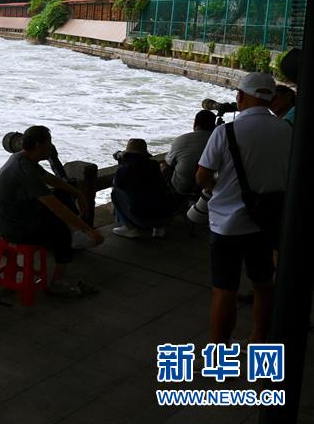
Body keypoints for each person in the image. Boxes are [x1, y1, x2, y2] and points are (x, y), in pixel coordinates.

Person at [196, 72, 292, 344]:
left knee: (224, 290)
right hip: (265, 222)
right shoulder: (286, 129)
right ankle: (260, 338)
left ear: (240, 97)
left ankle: (220, 353)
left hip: (227, 225)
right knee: (263, 285)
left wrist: (217, 186)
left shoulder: (225, 131)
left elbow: (202, 177)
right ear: (271, 99)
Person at [0, 125, 104, 298]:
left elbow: (50, 179)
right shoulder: (25, 169)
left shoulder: (23, 159)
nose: (52, 147)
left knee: (62, 196)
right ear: (39, 145)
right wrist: (87, 229)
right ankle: (57, 283)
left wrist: (77, 193)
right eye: (49, 143)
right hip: (15, 228)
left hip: (19, 217)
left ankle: (73, 236)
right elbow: (54, 206)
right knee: (60, 231)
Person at [111, 138, 173, 239]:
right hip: (164, 217)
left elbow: (116, 183)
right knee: (154, 192)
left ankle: (130, 228)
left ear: (128, 154)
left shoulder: (125, 169)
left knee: (115, 192)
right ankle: (158, 229)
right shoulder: (154, 165)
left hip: (142, 220)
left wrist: (121, 164)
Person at [161, 110, 216, 196]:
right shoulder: (219, 140)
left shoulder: (180, 140)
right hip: (211, 190)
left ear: (195, 124)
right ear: (214, 126)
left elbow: (169, 163)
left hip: (182, 190)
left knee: (164, 165)